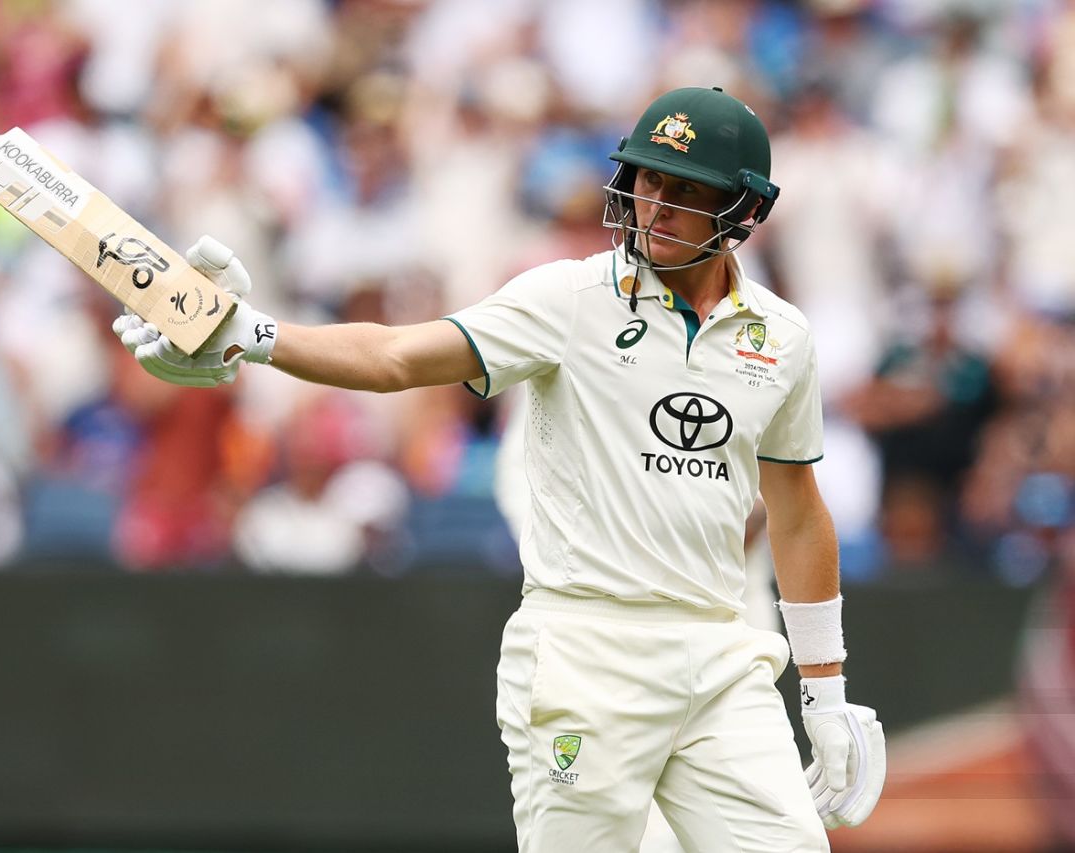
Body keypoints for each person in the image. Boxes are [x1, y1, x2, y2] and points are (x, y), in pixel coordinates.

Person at [115, 86, 886, 852]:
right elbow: (396, 357)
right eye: (648, 180)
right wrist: (253, 332)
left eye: (686, 191)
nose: (655, 207)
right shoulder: (569, 298)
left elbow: (795, 511)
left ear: (744, 210)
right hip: (587, 651)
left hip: (722, 655)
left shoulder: (781, 338)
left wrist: (824, 693)